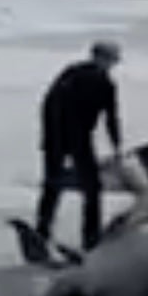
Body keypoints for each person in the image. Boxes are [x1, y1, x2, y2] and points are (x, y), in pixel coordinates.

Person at [38, 39, 124, 250]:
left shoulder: (71, 73)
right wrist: (117, 146)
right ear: (101, 58)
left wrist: (49, 137)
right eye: (111, 60)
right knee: (92, 189)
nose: (112, 64)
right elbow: (111, 118)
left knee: (52, 185)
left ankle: (42, 230)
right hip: (73, 137)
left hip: (58, 136)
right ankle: (90, 238)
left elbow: (48, 105)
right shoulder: (103, 83)